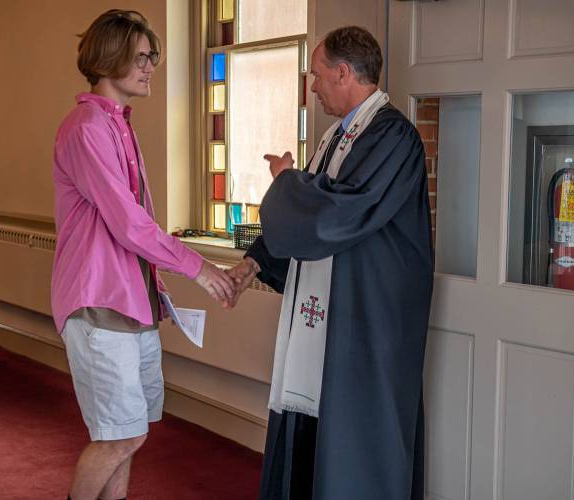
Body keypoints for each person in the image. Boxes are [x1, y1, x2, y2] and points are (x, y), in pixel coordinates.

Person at [226, 26, 434, 499]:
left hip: (367, 322)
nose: (312, 87)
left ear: (344, 73)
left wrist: (284, 182)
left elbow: (335, 214)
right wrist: (253, 264)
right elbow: (311, 217)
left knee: (357, 444)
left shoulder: (392, 137)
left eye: (317, 76)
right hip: (333, 317)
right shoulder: (335, 138)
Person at [50, 10, 235, 500]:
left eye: (151, 57)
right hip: (97, 302)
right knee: (122, 435)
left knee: (128, 433)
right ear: (108, 58)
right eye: (142, 58)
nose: (151, 67)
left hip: (132, 300)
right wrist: (199, 267)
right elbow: (128, 223)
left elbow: (132, 226)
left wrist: (155, 283)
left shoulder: (118, 124)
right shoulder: (86, 126)